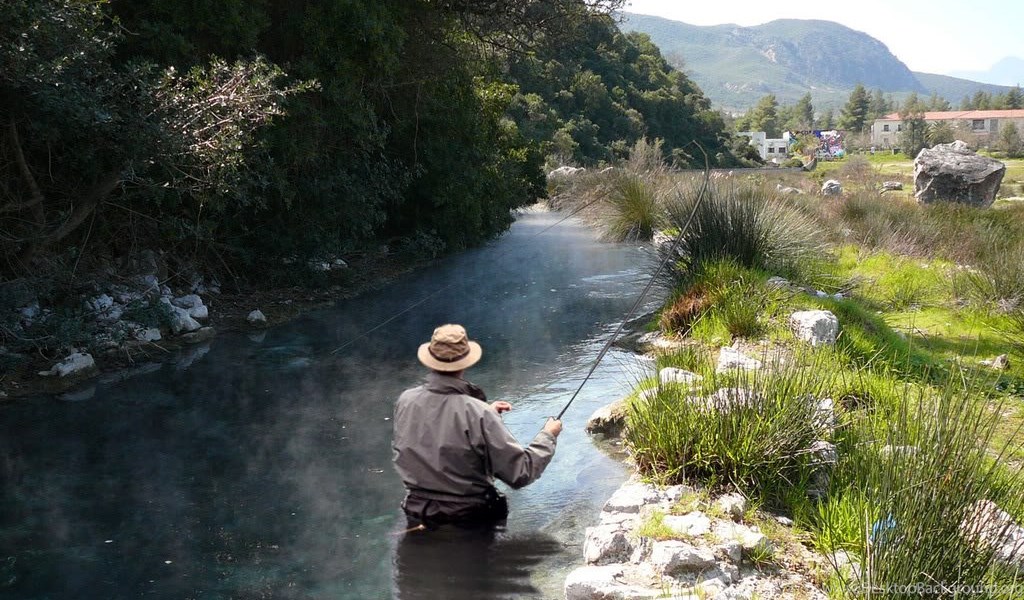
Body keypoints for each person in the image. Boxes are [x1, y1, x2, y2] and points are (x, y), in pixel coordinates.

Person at [392, 324, 562, 529]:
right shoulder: (478, 413)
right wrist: (548, 436)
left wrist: (483, 416)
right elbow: (520, 473)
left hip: (418, 513)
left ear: (430, 361)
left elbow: (436, 434)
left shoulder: (406, 400)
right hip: (469, 521)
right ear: (465, 363)